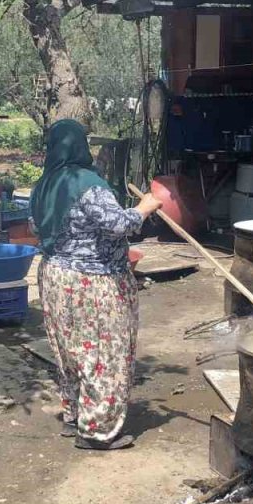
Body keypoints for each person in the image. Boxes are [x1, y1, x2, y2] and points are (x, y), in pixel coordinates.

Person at [34, 119, 162, 451]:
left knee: (71, 354)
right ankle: (97, 430)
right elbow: (117, 224)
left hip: (55, 279)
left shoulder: (44, 184)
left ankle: (75, 415)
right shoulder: (86, 183)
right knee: (104, 353)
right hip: (93, 283)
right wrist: (145, 207)